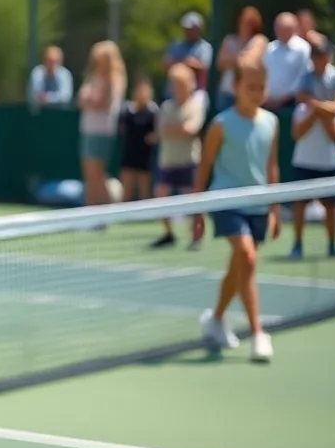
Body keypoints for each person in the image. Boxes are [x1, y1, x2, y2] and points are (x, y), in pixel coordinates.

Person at [195, 60, 280, 363]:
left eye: (261, 87)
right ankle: (259, 333)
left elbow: (271, 165)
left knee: (239, 265)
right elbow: (204, 167)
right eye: (250, 87)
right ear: (236, 87)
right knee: (247, 257)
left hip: (258, 204)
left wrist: (275, 207)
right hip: (226, 201)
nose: (256, 93)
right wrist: (196, 211)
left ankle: (216, 318)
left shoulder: (271, 122)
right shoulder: (221, 124)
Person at [289, 32, 335, 260]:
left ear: (329, 55)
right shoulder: (304, 80)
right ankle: (297, 244)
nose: (319, 59)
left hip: (327, 161)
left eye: (322, 54)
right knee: (299, 204)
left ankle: (333, 245)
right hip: (303, 160)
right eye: (315, 55)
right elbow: (298, 131)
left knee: (331, 205)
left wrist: (317, 109)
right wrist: (323, 111)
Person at [152, 63, 207, 249]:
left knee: (194, 199)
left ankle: (197, 236)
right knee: (161, 195)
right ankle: (168, 234)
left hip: (190, 160)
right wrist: (178, 130)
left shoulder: (196, 105)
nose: (177, 88)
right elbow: (162, 131)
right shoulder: (167, 106)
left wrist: (174, 130)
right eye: (174, 84)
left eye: (181, 83)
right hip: (168, 160)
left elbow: (191, 129)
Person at [76, 40, 127, 207]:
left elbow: (101, 102)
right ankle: (90, 212)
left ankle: (108, 210)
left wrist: (90, 100)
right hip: (88, 128)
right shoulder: (92, 76)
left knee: (97, 173)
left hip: (102, 130)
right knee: (89, 173)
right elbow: (81, 99)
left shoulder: (115, 78)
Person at [214, 6, 267, 113]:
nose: (245, 25)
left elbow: (249, 61)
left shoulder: (259, 40)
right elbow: (220, 63)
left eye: (249, 23)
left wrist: (232, 59)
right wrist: (240, 58)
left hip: (248, 93)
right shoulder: (229, 40)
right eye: (243, 21)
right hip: (227, 92)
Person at [117, 75, 158, 203]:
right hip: (129, 153)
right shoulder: (127, 110)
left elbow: (156, 133)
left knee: (144, 190)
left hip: (145, 155)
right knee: (126, 189)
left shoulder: (153, 111)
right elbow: (122, 128)